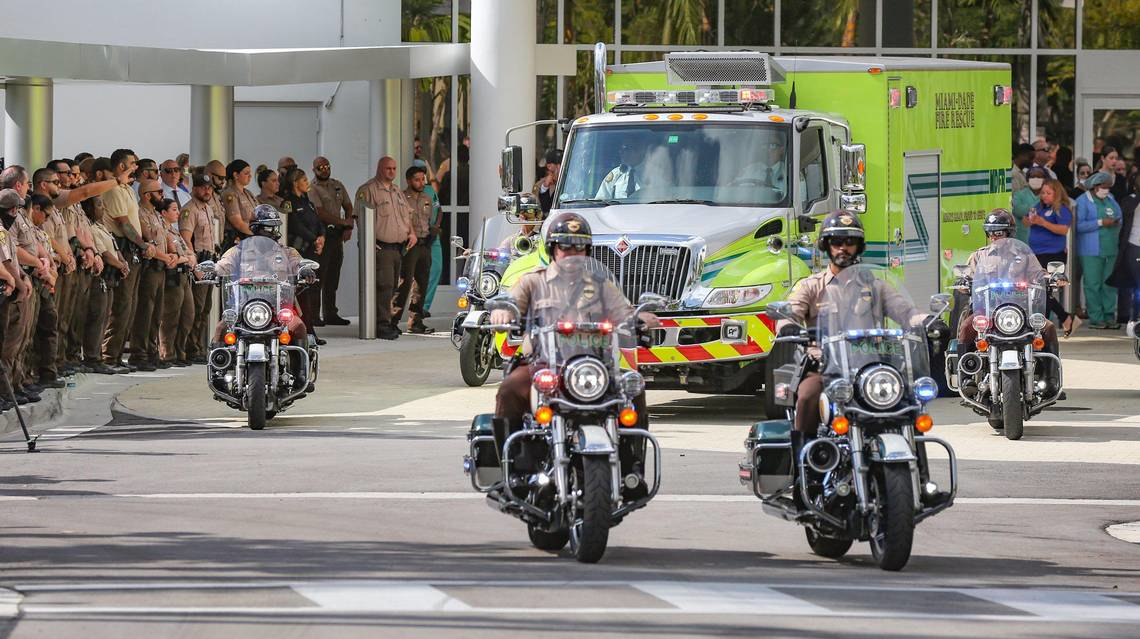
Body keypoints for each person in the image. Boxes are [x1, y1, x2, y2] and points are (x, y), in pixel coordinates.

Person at [489, 211, 660, 495]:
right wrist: (502, 312)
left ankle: (631, 468)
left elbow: (624, 312)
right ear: (552, 249)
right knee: (508, 389)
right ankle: (514, 472)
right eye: (565, 246)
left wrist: (639, 318)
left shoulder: (601, 285)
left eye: (579, 247)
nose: (572, 253)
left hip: (595, 368)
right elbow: (511, 304)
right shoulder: (533, 282)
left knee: (634, 387)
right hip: (543, 366)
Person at [783, 211, 938, 433]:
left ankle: (911, 445)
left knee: (909, 398)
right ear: (826, 246)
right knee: (808, 394)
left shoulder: (875, 286)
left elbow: (905, 311)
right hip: (826, 365)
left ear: (859, 246)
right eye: (836, 242)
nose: (843, 248)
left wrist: (929, 321)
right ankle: (804, 450)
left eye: (850, 242)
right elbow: (791, 312)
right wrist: (789, 325)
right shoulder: (811, 286)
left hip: (871, 364)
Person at [956, 209, 1062, 394]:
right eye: (990, 232)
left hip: (1021, 310)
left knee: (1049, 328)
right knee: (966, 327)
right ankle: (966, 379)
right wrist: (963, 283)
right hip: (987, 310)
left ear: (1009, 232)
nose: (993, 236)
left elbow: (1039, 274)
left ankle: (1050, 379)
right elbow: (968, 277)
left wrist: (1052, 278)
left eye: (998, 232)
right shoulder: (979, 256)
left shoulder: (1024, 255)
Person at [209, 205, 312, 346]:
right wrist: (212, 270)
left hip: (280, 306)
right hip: (244, 305)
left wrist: (304, 269)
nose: (274, 232)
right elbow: (223, 264)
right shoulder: (238, 251)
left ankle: (300, 360)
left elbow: (297, 262)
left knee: (299, 327)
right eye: (269, 228)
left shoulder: (287, 252)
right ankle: (219, 358)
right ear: (256, 229)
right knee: (222, 328)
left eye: (275, 227)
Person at [100, 151, 155, 370]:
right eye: (133, 163)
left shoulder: (127, 189)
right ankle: (109, 355)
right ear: (122, 166)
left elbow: (134, 220)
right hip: (122, 247)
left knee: (130, 306)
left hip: (132, 249)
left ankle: (116, 355)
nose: (136, 166)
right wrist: (143, 245)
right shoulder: (113, 189)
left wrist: (145, 242)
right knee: (121, 305)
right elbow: (123, 223)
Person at [355, 156, 417, 340]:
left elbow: (406, 215)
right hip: (382, 247)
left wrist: (412, 233)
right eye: (388, 168)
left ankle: (389, 322)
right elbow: (360, 216)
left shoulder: (396, 190)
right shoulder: (368, 190)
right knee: (384, 285)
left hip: (399, 248)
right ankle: (381, 325)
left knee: (395, 287)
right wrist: (367, 239)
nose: (392, 172)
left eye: (394, 168)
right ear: (379, 168)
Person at [129, 180, 177, 370]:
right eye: (159, 192)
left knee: (156, 314)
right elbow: (148, 243)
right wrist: (166, 257)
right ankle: (139, 354)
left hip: (161, 267)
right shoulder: (140, 213)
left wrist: (173, 255)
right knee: (145, 312)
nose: (162, 195)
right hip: (149, 267)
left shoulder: (156, 214)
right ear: (147, 195)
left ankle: (151, 352)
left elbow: (166, 237)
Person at [82, 193, 127, 375]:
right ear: (89, 208)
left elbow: (114, 248)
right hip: (99, 278)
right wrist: (120, 265)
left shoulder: (101, 226)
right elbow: (105, 254)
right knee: (96, 317)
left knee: (104, 318)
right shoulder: (91, 228)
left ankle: (98, 356)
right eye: (99, 205)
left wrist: (122, 262)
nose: (103, 208)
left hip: (110, 278)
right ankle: (92, 357)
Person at [1026, 178, 1078, 335]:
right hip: (1036, 253)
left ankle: (1052, 321)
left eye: (1048, 193)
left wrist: (1043, 222)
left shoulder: (1061, 209)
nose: (1044, 196)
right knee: (1039, 290)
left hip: (1053, 254)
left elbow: (1063, 230)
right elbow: (1026, 221)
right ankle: (1063, 318)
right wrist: (1030, 220)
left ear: (1056, 193)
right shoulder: (1038, 207)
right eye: (1042, 193)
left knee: (1044, 289)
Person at [281, 168, 326, 344]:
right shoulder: (289, 203)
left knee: (313, 289)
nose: (307, 183)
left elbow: (319, 222)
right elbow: (295, 226)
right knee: (302, 294)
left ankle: (311, 330)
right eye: (304, 180)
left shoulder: (308, 202)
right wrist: (314, 239)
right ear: (295, 183)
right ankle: (305, 331)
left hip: (312, 251)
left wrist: (321, 237)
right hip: (299, 252)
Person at [309, 156, 355, 326]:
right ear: (314, 170)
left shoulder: (337, 185)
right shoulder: (312, 188)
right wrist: (343, 222)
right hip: (323, 234)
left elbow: (348, 206)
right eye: (320, 168)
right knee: (319, 275)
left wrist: (348, 226)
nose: (325, 170)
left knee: (333, 276)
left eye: (327, 166)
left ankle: (330, 313)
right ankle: (314, 315)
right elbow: (320, 212)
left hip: (337, 235)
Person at [179, 173, 219, 364]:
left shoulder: (208, 209)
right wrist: (194, 265)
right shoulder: (189, 210)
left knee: (205, 308)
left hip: (210, 261)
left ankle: (199, 347)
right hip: (198, 261)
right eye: (203, 187)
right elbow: (185, 239)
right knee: (195, 307)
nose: (207, 191)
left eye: (209, 187)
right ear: (194, 189)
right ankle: (190, 348)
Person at [1075, 172, 1123, 329]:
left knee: (1109, 284)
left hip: (1110, 248)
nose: (1106, 190)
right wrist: (1101, 222)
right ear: (1095, 187)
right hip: (1090, 250)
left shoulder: (1111, 199)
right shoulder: (1082, 201)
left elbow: (1120, 217)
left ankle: (1109, 316)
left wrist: (1115, 222)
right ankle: (1096, 318)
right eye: (1104, 187)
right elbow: (1078, 226)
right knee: (1092, 284)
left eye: (1108, 187)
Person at [392, 165, 434, 334]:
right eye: (417, 180)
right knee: (404, 282)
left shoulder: (427, 198)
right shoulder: (402, 198)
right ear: (409, 181)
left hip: (425, 244)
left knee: (422, 284)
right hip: (409, 245)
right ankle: (393, 320)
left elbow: (430, 218)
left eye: (423, 179)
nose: (421, 182)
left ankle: (415, 321)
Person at [157, 198, 195, 366]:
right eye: (173, 209)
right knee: (170, 316)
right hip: (173, 276)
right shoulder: (163, 231)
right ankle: (167, 353)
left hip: (184, 275)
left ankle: (180, 352)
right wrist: (186, 258)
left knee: (188, 315)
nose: (177, 213)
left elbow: (187, 251)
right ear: (163, 212)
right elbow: (173, 256)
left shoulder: (175, 231)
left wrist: (188, 257)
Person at [1108, 172, 1140, 324]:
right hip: (1132, 245)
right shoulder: (1129, 201)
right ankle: (1128, 316)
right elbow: (1125, 215)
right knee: (1131, 282)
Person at [220, 159, 257, 246]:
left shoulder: (248, 193)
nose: (250, 176)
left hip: (251, 239)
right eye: (246, 173)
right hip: (237, 241)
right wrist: (257, 234)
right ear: (236, 175)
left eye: (250, 173)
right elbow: (237, 223)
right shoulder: (229, 194)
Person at [1012, 165, 1047, 244]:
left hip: (1042, 239)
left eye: (1039, 177)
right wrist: (1039, 208)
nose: (1035, 179)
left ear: (1044, 179)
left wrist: (1028, 208)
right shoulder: (1019, 194)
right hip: (1022, 238)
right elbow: (1017, 210)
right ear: (1027, 179)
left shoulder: (1047, 194)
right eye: (1033, 177)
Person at [533, 149, 562, 214]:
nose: (563, 167)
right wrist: (545, 187)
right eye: (559, 164)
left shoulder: (571, 182)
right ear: (549, 166)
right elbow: (539, 211)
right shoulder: (539, 185)